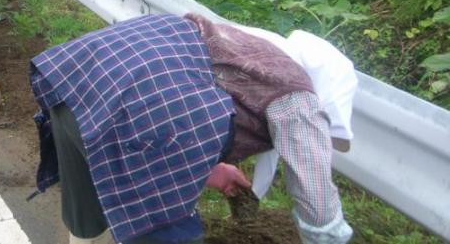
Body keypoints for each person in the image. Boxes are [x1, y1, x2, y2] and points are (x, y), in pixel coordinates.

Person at [30, 13, 355, 244]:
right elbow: (315, 197)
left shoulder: (243, 41)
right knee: (167, 229)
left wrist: (212, 169)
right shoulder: (296, 93)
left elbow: (184, 88)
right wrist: (329, 236)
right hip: (134, 114)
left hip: (77, 85)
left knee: (86, 216)